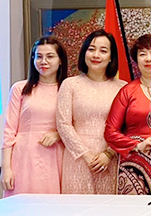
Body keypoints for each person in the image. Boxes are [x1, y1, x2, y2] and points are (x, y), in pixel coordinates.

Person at [104, 34, 151, 195]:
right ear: (136, 60)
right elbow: (110, 132)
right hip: (134, 162)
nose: (148, 58)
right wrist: (137, 145)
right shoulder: (127, 91)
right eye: (142, 54)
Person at [56, 30, 127, 194]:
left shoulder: (122, 87)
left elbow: (126, 127)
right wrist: (86, 155)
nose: (96, 55)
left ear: (111, 57)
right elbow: (63, 124)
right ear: (84, 52)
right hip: (77, 159)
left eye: (103, 51)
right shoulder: (70, 84)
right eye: (91, 49)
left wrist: (108, 154)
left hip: (111, 159)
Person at [1, 36, 68, 196]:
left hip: (55, 158)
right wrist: (6, 167)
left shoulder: (67, 89)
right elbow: (9, 131)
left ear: (60, 60)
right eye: (39, 56)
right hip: (24, 158)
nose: (43, 61)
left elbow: (75, 125)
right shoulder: (20, 88)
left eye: (50, 56)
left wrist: (58, 134)